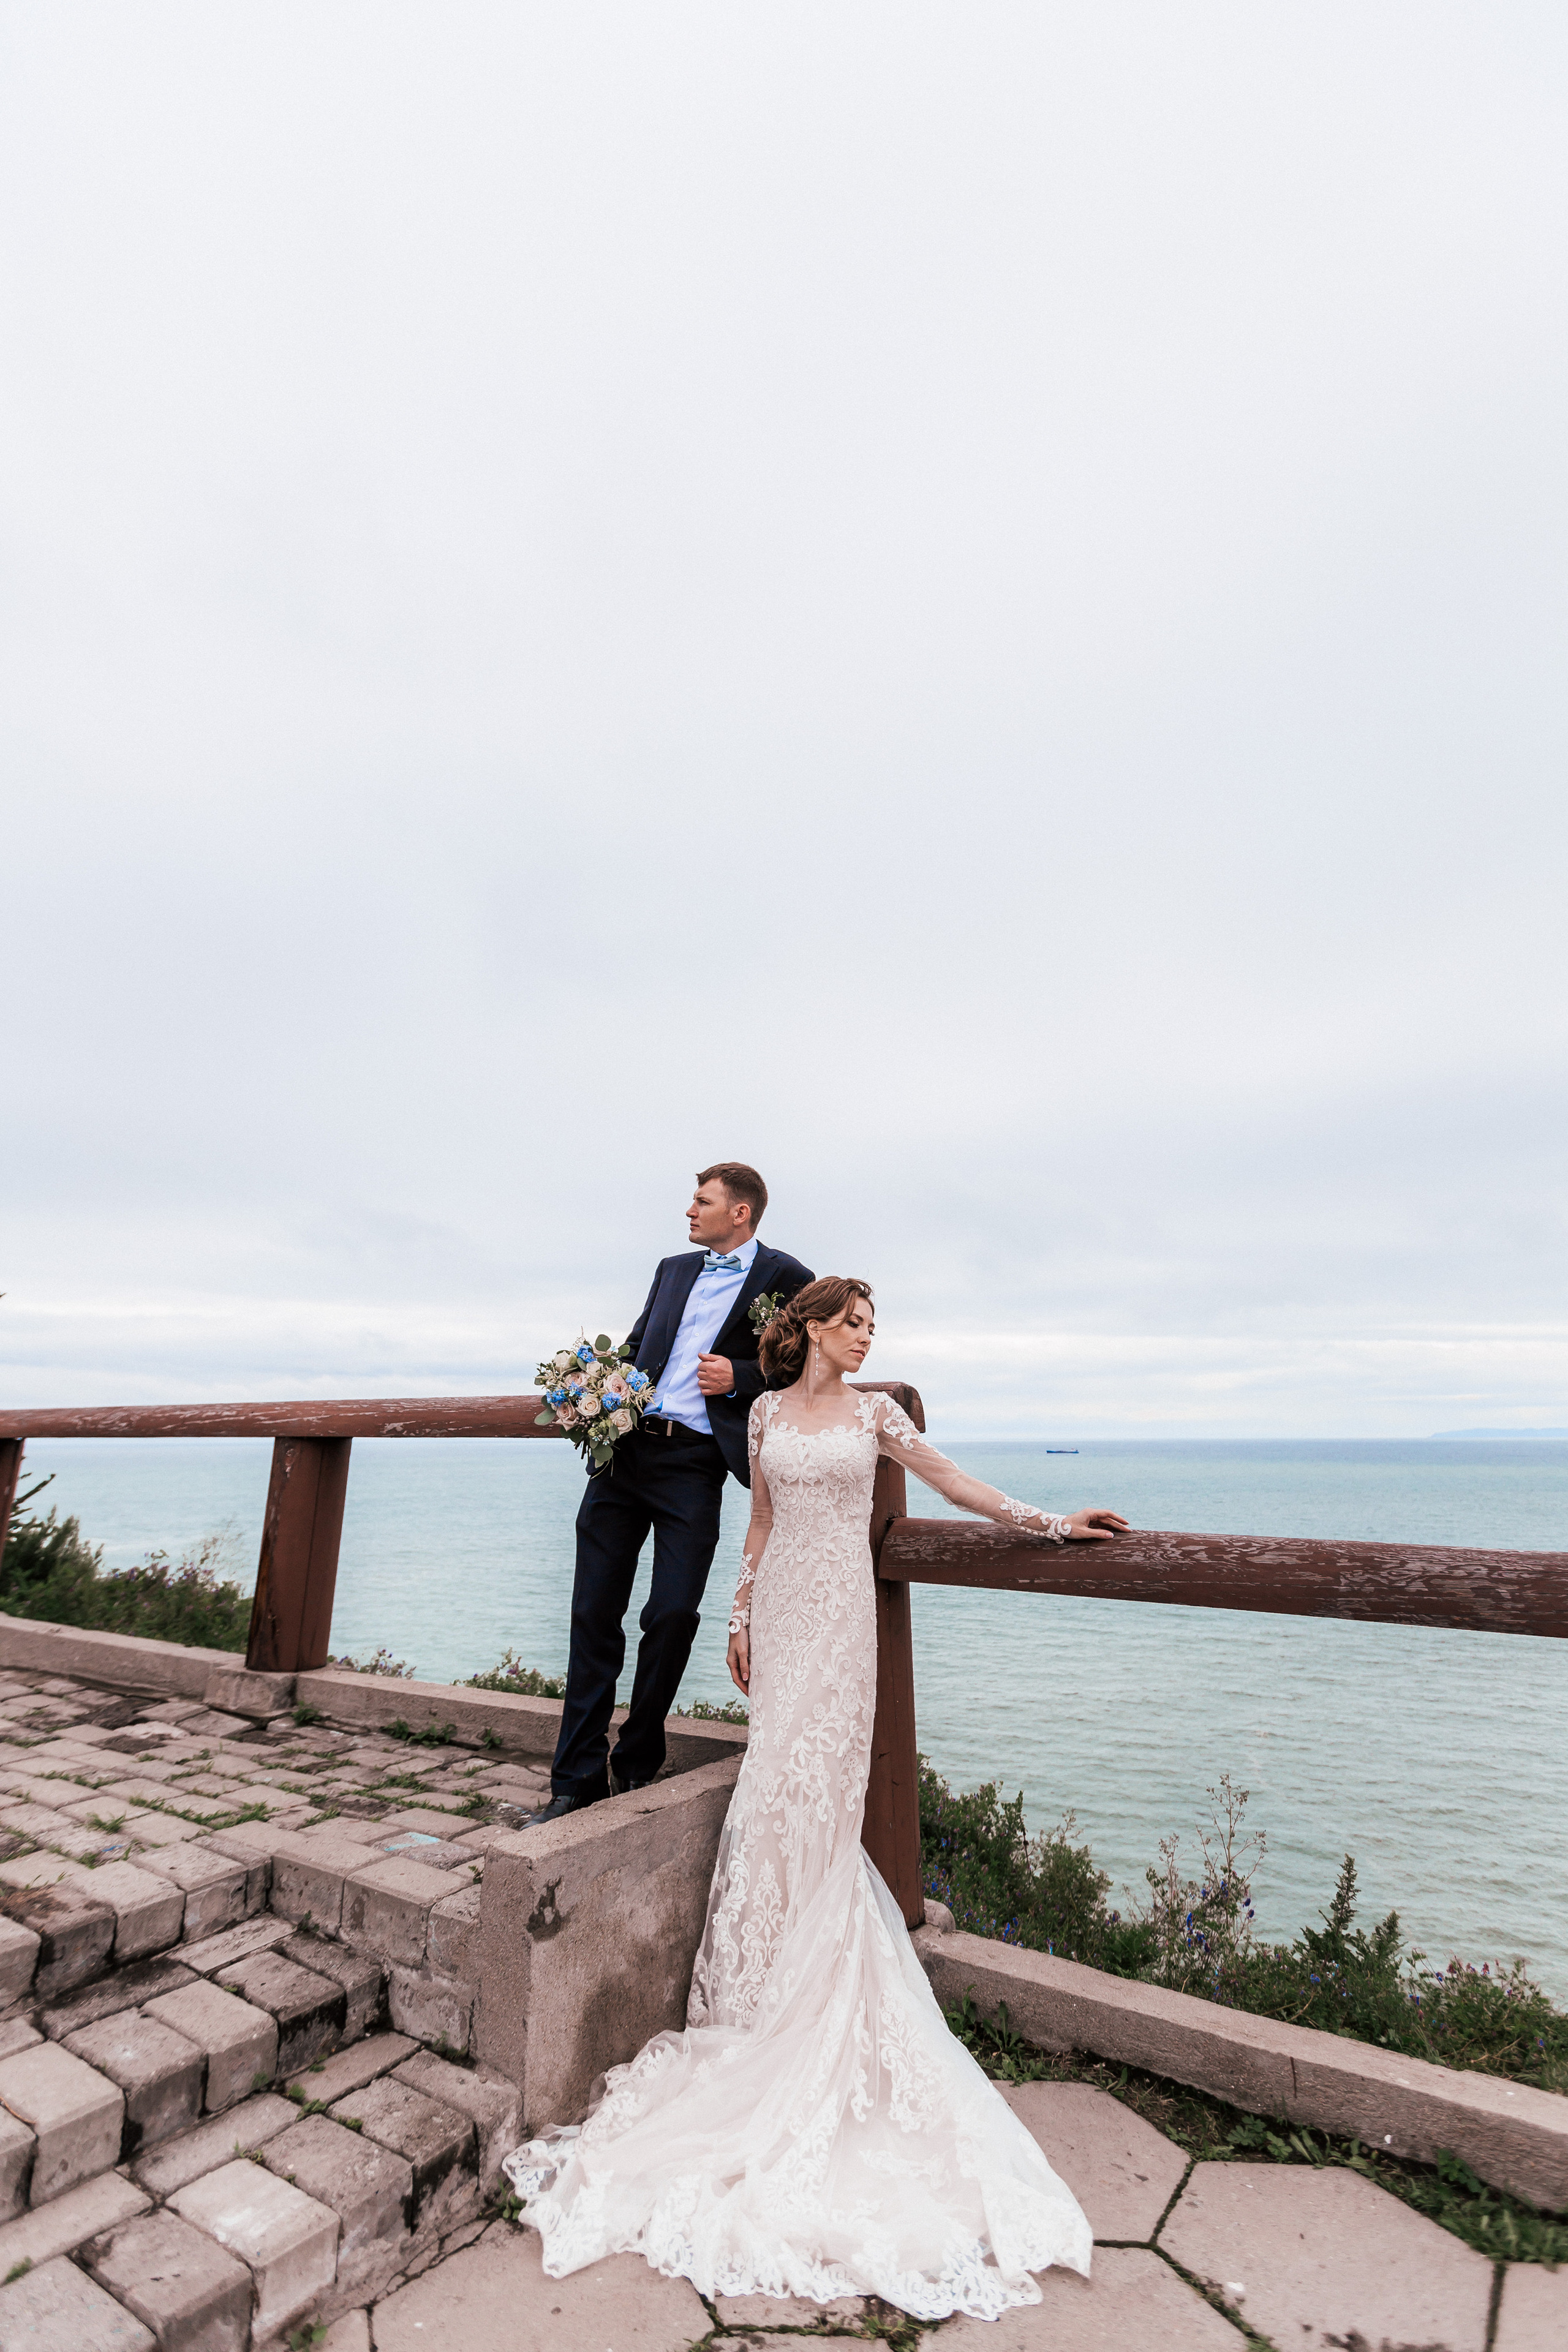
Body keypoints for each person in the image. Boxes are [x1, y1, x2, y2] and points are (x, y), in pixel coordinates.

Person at [505, 1276, 1129, 2320]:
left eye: (874, 1327)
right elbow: (757, 1529)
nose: (867, 1336)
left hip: (845, 1626)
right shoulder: (763, 1411)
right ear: (810, 1331)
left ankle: (819, 2003)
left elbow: (952, 1483)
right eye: (854, 1323)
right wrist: (739, 1620)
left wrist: (1053, 1524)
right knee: (769, 1797)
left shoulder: (879, 1414)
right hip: (787, 1615)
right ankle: (755, 2005)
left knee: (818, 1801)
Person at [523, 1163, 813, 1825]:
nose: (690, 1210)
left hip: (693, 1464)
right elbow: (634, 1348)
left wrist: (740, 1374)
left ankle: (637, 1758)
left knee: (674, 1613)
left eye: (702, 1201)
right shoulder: (672, 1270)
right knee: (593, 1615)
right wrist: (595, 1392)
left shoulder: (789, 1277)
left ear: (739, 1212)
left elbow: (806, 1367)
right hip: (622, 1456)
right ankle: (573, 1782)